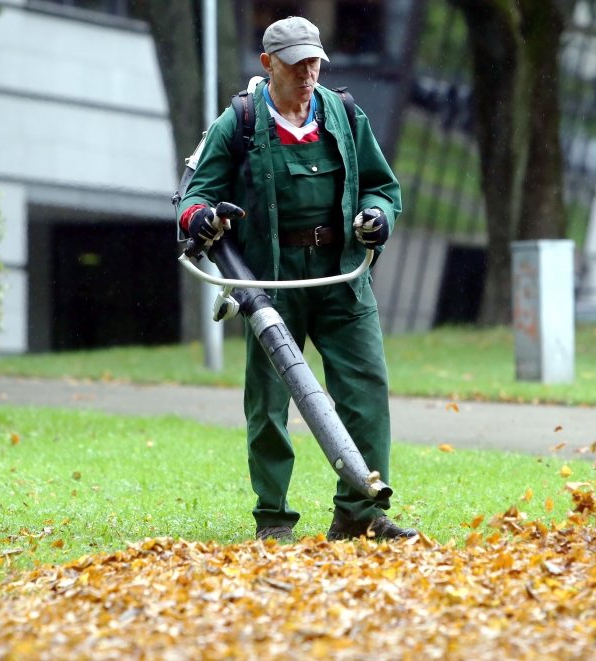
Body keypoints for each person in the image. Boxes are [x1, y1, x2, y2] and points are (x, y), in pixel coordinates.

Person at [177, 16, 415, 543]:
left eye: (315, 63)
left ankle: (360, 514)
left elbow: (383, 186)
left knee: (366, 392)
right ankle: (273, 520)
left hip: (343, 278)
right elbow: (193, 197)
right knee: (269, 402)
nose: (309, 74)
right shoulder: (237, 122)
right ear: (268, 64)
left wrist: (377, 219)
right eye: (297, 64)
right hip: (271, 287)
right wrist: (204, 219)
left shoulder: (344, 113)